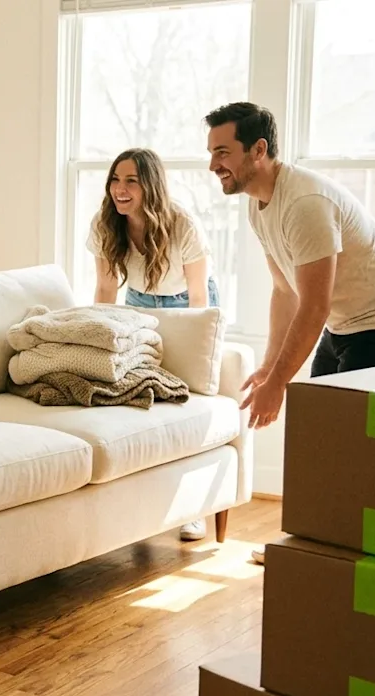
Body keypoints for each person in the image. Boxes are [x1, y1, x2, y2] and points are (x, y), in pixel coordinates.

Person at [204, 102, 375, 564]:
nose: (213, 165)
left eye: (223, 152)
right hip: (345, 322)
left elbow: (314, 304)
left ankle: (356, 550)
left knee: (352, 437)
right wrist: (268, 367)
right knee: (320, 433)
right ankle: (312, 542)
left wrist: (278, 384)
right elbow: (284, 293)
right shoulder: (259, 206)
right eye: (211, 153)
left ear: (258, 150)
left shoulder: (304, 204)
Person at [87, 147, 221, 543]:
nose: (120, 190)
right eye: (115, 179)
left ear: (151, 185)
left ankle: (193, 510)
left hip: (186, 302)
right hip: (140, 303)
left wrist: (196, 351)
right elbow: (105, 288)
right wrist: (99, 342)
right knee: (141, 397)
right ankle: (149, 504)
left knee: (185, 401)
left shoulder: (183, 225)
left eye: (131, 181)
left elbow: (199, 298)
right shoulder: (105, 224)